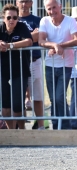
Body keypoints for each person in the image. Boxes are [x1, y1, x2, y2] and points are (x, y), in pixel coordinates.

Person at [39, 0, 77, 130]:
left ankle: (64, 126)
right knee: (53, 99)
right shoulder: (44, 21)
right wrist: (54, 45)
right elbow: (41, 41)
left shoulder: (70, 21)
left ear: (60, 7)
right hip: (50, 65)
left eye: (54, 8)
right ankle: (57, 125)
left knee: (59, 97)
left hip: (66, 65)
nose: (52, 11)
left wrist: (59, 46)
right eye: (49, 8)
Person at [0, 4, 33, 129]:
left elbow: (29, 41)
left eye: (15, 17)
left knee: (18, 104)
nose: (12, 20)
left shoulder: (22, 26)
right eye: (9, 18)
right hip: (3, 71)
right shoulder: (0, 28)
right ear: (4, 18)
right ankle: (11, 132)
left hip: (20, 70)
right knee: (6, 105)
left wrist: (10, 45)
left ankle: (22, 131)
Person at [16, 0, 45, 130]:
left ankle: (41, 125)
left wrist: (21, 40)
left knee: (37, 96)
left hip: (34, 60)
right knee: (18, 96)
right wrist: (30, 37)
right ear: (17, 3)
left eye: (27, 1)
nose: (24, 5)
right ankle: (21, 127)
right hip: (16, 62)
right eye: (22, 1)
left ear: (31, 3)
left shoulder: (38, 20)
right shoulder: (12, 19)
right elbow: (11, 39)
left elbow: (41, 37)